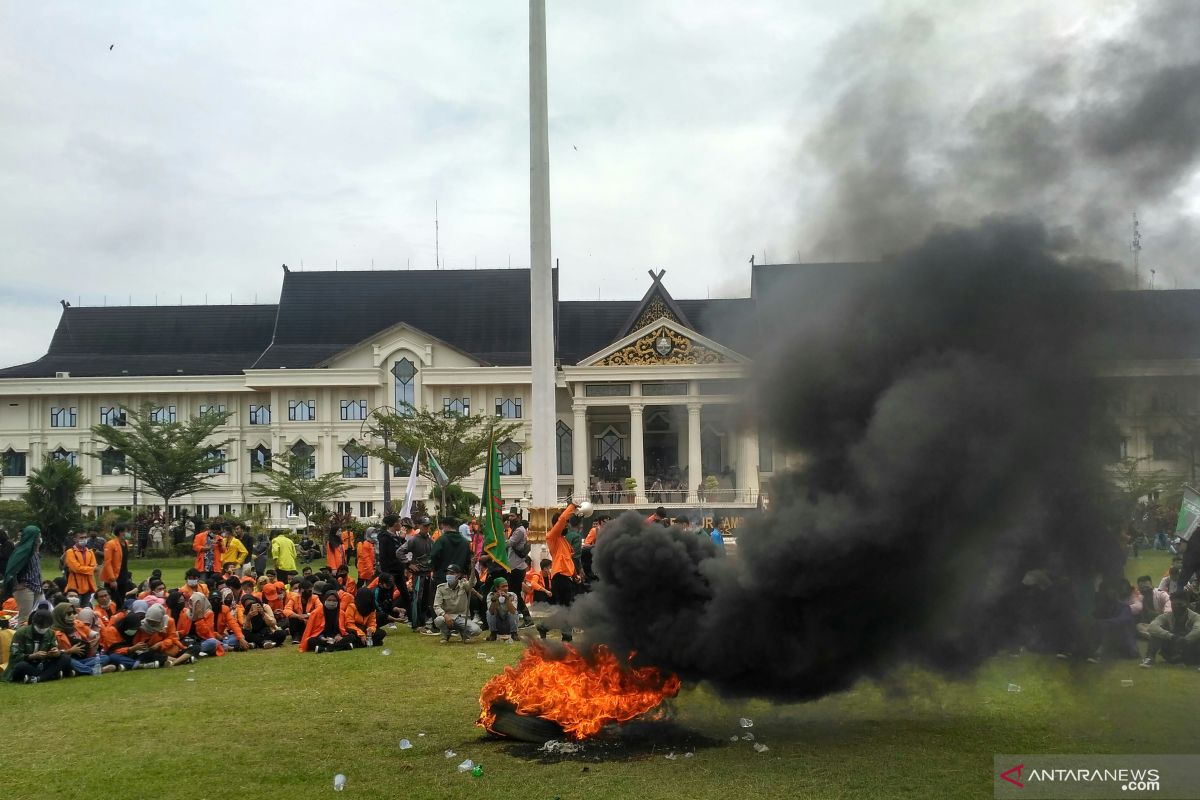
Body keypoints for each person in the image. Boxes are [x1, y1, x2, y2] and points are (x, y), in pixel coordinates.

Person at [538, 502, 578, 642]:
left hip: (566, 578)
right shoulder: (552, 537)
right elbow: (561, 520)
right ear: (558, 525)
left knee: (565, 608)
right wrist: (571, 507)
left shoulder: (564, 541)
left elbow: (567, 561)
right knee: (565, 608)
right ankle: (566, 636)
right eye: (565, 524)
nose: (566, 525)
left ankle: (544, 627)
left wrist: (575, 575)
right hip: (559, 577)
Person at [2, 609, 72, 683]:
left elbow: (54, 649)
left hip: (43, 664)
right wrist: (32, 656)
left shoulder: (50, 633)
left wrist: (56, 653)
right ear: (34, 623)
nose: (43, 629)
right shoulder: (21, 633)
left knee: (65, 658)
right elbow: (14, 656)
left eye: (46, 626)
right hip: (27, 663)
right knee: (21, 666)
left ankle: (37, 678)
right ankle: (51, 675)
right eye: (40, 626)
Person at [1141, 592, 1200, 667]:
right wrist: (1172, 637)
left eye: (1180, 605)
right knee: (1156, 632)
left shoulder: (1195, 617)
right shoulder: (1166, 616)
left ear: (1187, 604)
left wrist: (1185, 640)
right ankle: (1149, 658)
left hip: (1190, 648)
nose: (1176, 607)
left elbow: (1198, 630)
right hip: (1171, 648)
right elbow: (1152, 627)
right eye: (1174, 605)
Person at [2, 526, 44, 626]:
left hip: (37, 587)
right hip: (25, 588)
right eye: (38, 536)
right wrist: (16, 585)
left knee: (41, 614)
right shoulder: (21, 551)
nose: (39, 539)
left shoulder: (34, 551)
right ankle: (21, 640)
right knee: (25, 619)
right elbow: (12, 570)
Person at [400, 516, 435, 633]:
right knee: (417, 599)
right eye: (425, 525)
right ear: (419, 526)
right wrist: (408, 564)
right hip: (418, 575)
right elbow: (399, 552)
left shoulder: (431, 541)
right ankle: (415, 624)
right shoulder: (414, 540)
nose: (427, 528)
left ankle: (423, 622)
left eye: (428, 525)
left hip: (428, 574)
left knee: (426, 599)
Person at [432, 564, 480, 643]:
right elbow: (437, 606)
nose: (448, 575)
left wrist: (472, 569)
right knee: (438, 620)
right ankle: (446, 635)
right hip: (448, 617)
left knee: (476, 630)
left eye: (452, 573)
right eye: (447, 573)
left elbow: (472, 583)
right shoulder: (441, 588)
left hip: (462, 617)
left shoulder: (463, 584)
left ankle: (464, 634)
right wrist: (444, 615)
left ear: (458, 575)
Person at [505, 515, 534, 627]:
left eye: (512, 516)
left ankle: (526, 618)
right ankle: (523, 618)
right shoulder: (516, 529)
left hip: (516, 567)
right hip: (514, 566)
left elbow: (508, 543)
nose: (510, 518)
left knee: (515, 593)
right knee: (514, 592)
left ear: (518, 516)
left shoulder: (519, 530)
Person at [430, 517, 471, 590]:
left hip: (441, 579)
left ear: (446, 526)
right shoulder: (465, 542)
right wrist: (464, 572)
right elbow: (468, 561)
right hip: (458, 580)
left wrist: (434, 569)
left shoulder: (441, 540)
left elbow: (433, 556)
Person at [64, 529, 98, 606]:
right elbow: (76, 568)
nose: (84, 539)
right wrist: (90, 569)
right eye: (81, 538)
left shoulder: (90, 552)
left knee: (86, 610)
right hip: (75, 587)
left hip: (89, 587)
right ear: (75, 539)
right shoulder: (70, 552)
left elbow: (95, 567)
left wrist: (83, 569)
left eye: (85, 537)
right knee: (74, 609)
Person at [284, 579, 321, 644]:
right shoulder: (294, 598)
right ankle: (296, 636)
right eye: (308, 590)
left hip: (310, 620)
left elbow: (320, 608)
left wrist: (309, 615)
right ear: (301, 590)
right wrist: (298, 616)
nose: (310, 592)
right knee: (292, 618)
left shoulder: (315, 598)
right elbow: (286, 610)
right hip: (298, 621)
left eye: (311, 590)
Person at [486, 577, 519, 643]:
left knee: (514, 611)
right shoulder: (491, 595)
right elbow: (491, 612)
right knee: (488, 612)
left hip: (508, 625)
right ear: (497, 588)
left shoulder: (512, 595)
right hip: (498, 624)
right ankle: (493, 634)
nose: (506, 588)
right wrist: (494, 600)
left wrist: (507, 599)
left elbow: (513, 611)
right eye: (503, 586)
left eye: (507, 586)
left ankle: (514, 633)